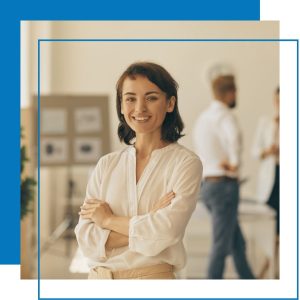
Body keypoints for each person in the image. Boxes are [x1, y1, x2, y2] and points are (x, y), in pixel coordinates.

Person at [75, 62, 203, 279]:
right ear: (122, 105)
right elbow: (86, 239)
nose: (140, 108)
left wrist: (107, 221)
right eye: (130, 98)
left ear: (170, 103)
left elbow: (166, 232)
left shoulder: (185, 163)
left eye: (151, 98)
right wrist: (149, 218)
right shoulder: (106, 164)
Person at [193, 69, 255, 279]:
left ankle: (250, 283)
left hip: (207, 187)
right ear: (231, 93)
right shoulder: (225, 116)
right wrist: (235, 163)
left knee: (238, 243)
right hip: (224, 186)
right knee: (221, 246)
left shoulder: (203, 118)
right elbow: (234, 139)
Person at [252, 87, 280, 235]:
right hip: (271, 175)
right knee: (270, 218)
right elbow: (255, 151)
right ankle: (269, 258)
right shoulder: (266, 122)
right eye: (277, 101)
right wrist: (268, 151)